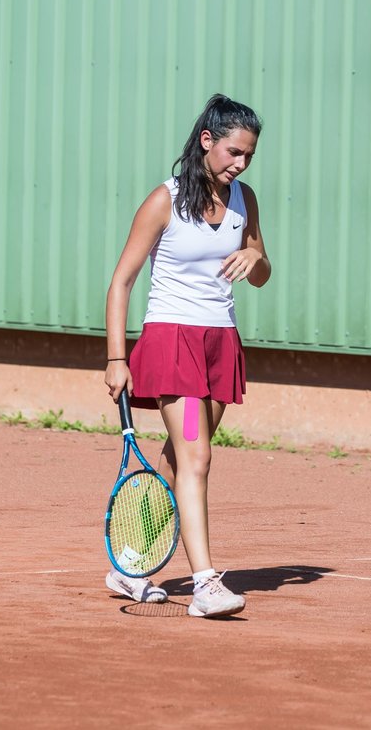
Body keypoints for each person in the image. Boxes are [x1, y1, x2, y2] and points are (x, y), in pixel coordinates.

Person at [104, 94, 270, 618]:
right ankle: (205, 584)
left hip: (221, 342)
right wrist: (116, 358)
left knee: (179, 459)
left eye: (248, 155)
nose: (240, 163)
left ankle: (132, 564)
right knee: (198, 458)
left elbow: (262, 273)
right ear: (207, 142)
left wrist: (256, 256)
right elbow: (121, 281)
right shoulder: (164, 201)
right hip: (173, 341)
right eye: (233, 152)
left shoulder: (246, 199)